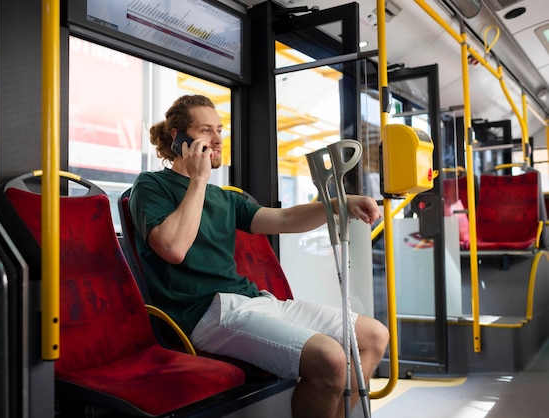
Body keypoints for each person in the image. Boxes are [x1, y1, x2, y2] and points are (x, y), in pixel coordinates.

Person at [129, 94, 389, 418]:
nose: (217, 139)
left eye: (219, 130)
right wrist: (197, 179)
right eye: (205, 130)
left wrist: (337, 204)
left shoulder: (224, 198)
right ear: (178, 137)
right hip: (208, 314)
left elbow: (283, 220)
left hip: (256, 301)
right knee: (330, 358)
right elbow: (173, 248)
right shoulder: (151, 186)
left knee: (373, 336)